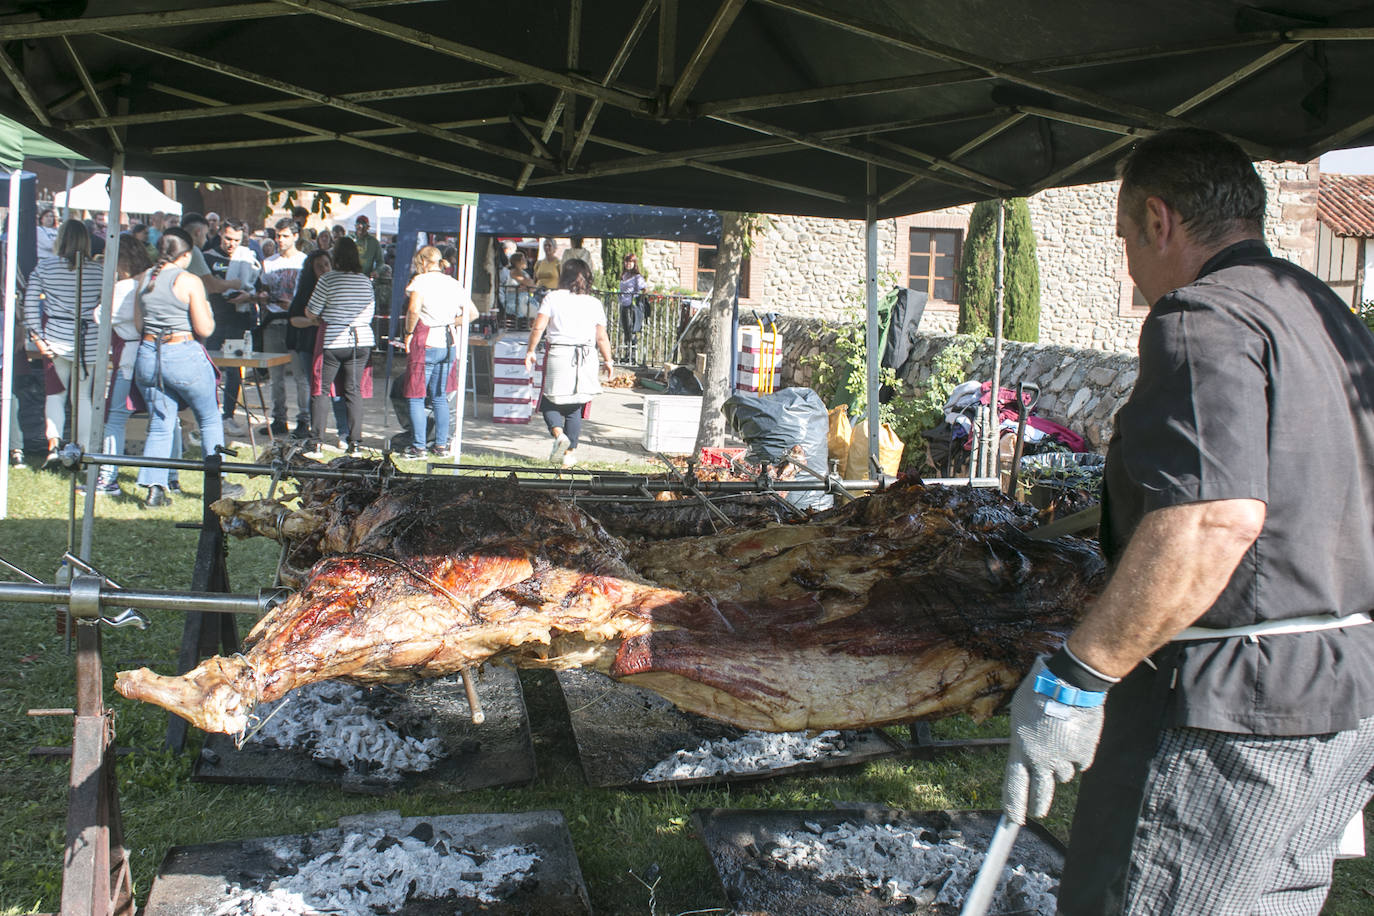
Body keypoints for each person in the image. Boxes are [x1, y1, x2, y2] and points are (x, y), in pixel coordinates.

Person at [999, 128, 1374, 916]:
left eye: (1126, 237)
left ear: (1160, 220)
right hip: (1340, 698)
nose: (1128, 263)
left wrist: (1078, 677)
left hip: (1226, 714)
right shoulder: (1327, 318)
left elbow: (1214, 519)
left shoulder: (1201, 318)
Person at [132, 229, 243, 508]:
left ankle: (155, 488)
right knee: (208, 419)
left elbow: (137, 325)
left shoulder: (145, 278)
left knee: (160, 423)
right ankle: (219, 483)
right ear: (187, 254)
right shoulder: (189, 280)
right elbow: (205, 327)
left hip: (149, 353)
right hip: (182, 353)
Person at [22, 218, 103, 462]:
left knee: (55, 395)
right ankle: (84, 450)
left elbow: (28, 304)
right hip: (89, 339)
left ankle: (54, 446)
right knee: (83, 397)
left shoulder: (46, 267)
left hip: (56, 337)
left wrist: (38, 337)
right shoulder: (99, 271)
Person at [524, 259, 613, 468]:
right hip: (586, 355)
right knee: (575, 407)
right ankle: (569, 453)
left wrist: (530, 351)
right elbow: (602, 337)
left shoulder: (553, 298)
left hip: (560, 353)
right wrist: (608, 360)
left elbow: (538, 328)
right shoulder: (594, 303)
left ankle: (559, 435)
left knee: (549, 403)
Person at [400, 245, 477, 458]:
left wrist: (408, 332)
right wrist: (451, 321)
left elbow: (414, 309)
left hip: (426, 340)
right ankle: (441, 445)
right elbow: (472, 313)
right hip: (448, 341)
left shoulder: (421, 281)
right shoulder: (453, 283)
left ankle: (419, 446)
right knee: (440, 396)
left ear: (423, 262)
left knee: (416, 395)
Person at [303, 236, 375, 453]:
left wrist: (317, 317)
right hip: (361, 339)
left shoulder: (328, 280)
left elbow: (312, 311)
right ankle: (355, 443)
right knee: (353, 390)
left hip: (334, 339)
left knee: (321, 390)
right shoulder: (364, 280)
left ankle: (316, 441)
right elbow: (370, 313)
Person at [97, 235, 157, 494]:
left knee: (116, 418)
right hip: (152, 355)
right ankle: (171, 476)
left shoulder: (123, 287)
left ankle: (108, 477)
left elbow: (100, 315)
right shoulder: (150, 283)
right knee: (162, 418)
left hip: (129, 360)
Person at [286, 249, 349, 446]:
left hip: (335, 344)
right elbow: (293, 320)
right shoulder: (306, 291)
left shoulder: (339, 286)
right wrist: (312, 322)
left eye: (326, 264)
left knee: (338, 390)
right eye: (319, 266)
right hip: (309, 345)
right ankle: (316, 433)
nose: (324, 269)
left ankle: (344, 433)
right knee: (316, 390)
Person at [205, 220, 260, 437]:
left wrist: (251, 296)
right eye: (228, 239)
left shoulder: (247, 256)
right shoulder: (209, 256)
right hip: (214, 320)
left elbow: (258, 286)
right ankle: (208, 413)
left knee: (235, 368)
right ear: (220, 234)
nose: (232, 244)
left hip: (238, 320)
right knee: (210, 368)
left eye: (236, 240)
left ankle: (228, 414)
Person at [258, 217, 309, 438]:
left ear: (296, 236)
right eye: (278, 235)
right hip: (273, 321)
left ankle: (304, 420)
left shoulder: (304, 261)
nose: (280, 240)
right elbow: (264, 288)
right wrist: (262, 296)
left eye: (285, 235)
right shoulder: (269, 262)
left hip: (296, 324)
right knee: (275, 377)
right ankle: (279, 418)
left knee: (300, 376)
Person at [618, 251, 649, 364]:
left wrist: (638, 297)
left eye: (630, 262)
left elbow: (644, 289)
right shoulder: (624, 275)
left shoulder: (637, 277)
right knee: (626, 330)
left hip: (632, 306)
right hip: (624, 304)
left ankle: (633, 356)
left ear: (634, 263)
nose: (628, 264)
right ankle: (627, 354)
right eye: (626, 261)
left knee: (632, 330)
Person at [503, 251, 536, 330]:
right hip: (514, 301)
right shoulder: (514, 272)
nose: (525, 261)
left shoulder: (524, 273)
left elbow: (532, 286)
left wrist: (525, 287)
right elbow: (528, 283)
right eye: (523, 259)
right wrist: (526, 287)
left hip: (524, 299)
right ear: (517, 262)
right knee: (534, 309)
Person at [354, 215, 383, 279]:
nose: (360, 228)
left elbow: (380, 262)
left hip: (365, 278)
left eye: (363, 226)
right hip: (349, 277)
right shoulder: (349, 239)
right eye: (358, 225)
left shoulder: (374, 242)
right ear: (355, 226)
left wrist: (376, 271)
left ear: (368, 227)